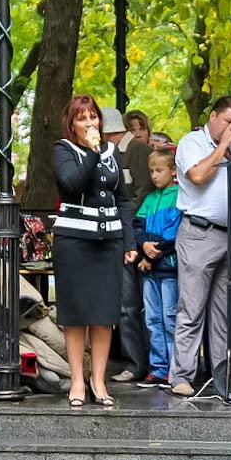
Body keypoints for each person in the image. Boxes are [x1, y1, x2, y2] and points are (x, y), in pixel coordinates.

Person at [53, 95, 137, 407]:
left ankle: (98, 380)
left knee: (104, 316)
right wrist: (90, 152)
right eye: (82, 119)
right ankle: (77, 381)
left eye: (93, 118)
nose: (90, 124)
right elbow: (72, 185)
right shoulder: (63, 150)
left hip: (109, 243)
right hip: (74, 243)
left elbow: (123, 200)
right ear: (72, 125)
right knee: (76, 316)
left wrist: (129, 242)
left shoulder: (112, 152)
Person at [168, 96, 231, 397]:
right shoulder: (192, 143)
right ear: (213, 116)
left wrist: (229, 149)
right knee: (192, 309)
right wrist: (224, 147)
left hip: (229, 236)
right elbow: (198, 176)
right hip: (199, 233)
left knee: (223, 312)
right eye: (227, 121)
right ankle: (181, 376)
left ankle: (222, 375)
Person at [102, 107, 151, 384]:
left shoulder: (138, 152)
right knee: (123, 303)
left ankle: (136, 362)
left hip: (132, 234)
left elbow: (142, 194)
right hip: (116, 232)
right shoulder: (107, 154)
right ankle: (128, 360)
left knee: (131, 304)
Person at [134, 149, 182, 388]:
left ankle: (175, 369)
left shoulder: (178, 196)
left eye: (159, 170)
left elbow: (174, 233)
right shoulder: (150, 199)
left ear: (173, 170)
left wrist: (152, 255)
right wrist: (144, 247)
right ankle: (158, 368)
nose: (154, 175)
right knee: (152, 319)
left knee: (170, 318)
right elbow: (138, 225)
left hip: (168, 269)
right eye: (151, 171)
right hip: (150, 270)